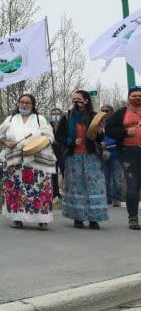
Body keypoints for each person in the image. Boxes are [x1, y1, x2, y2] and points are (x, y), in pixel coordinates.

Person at [0, 94, 56, 230]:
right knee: (16, 189)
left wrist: (39, 144)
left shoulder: (40, 119)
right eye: (21, 102)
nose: (23, 105)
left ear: (32, 105)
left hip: (37, 159)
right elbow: (0, 136)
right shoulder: (10, 119)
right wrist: (6, 142)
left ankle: (42, 219)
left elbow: (50, 136)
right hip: (15, 160)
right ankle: (17, 218)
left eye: (27, 103)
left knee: (38, 189)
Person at [55, 90, 108, 229]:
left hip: (91, 156)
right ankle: (78, 218)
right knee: (76, 187)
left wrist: (100, 133)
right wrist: (72, 142)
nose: (76, 101)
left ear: (86, 101)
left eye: (79, 99)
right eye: (74, 99)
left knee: (93, 187)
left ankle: (93, 219)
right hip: (73, 157)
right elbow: (59, 137)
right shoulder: (67, 117)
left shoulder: (94, 116)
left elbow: (99, 139)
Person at [105, 87, 141, 230]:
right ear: (129, 97)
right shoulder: (121, 113)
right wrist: (125, 132)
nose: (137, 98)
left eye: (140, 96)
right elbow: (109, 130)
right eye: (134, 96)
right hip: (129, 152)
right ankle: (133, 218)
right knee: (133, 184)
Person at [99, 104, 122, 207]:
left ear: (111, 112)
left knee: (116, 178)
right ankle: (107, 198)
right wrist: (100, 143)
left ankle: (116, 199)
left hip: (115, 154)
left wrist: (107, 144)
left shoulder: (117, 123)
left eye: (107, 110)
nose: (105, 112)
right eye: (102, 110)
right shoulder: (98, 124)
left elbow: (119, 137)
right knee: (105, 178)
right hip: (103, 155)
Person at [49, 107, 65, 199]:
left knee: (64, 172)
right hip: (52, 152)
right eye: (53, 114)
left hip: (62, 151)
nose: (55, 116)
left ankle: (66, 191)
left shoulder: (64, 125)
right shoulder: (48, 125)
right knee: (53, 174)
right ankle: (55, 193)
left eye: (57, 114)